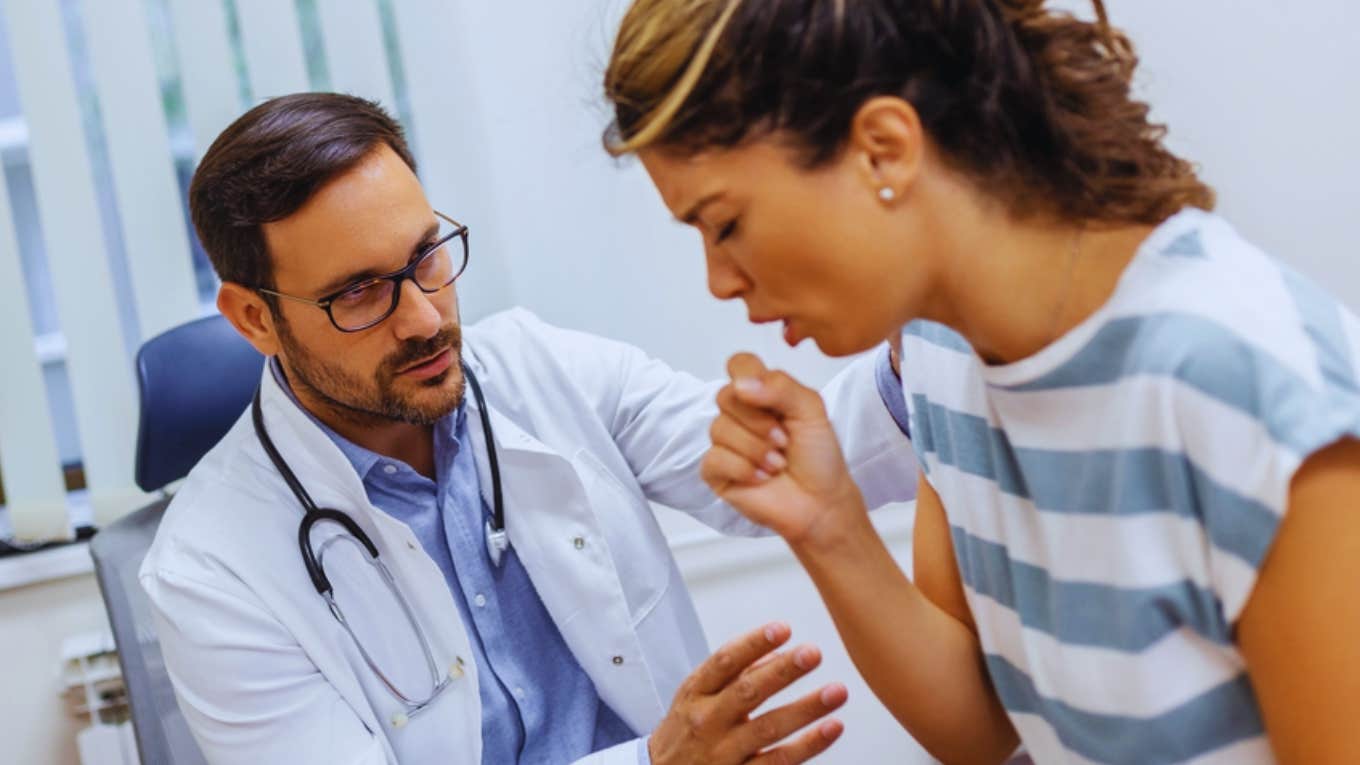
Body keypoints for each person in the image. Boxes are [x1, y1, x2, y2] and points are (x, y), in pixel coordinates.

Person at [601, 0, 1360, 763]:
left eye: (725, 223)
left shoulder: (1251, 387)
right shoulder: (942, 353)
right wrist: (829, 524)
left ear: (884, 150)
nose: (718, 281)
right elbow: (986, 728)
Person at [139, 93, 918, 765]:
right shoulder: (209, 568)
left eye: (426, 258)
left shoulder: (536, 367)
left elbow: (782, 461)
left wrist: (926, 342)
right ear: (254, 318)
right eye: (360, 293)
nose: (423, 318)